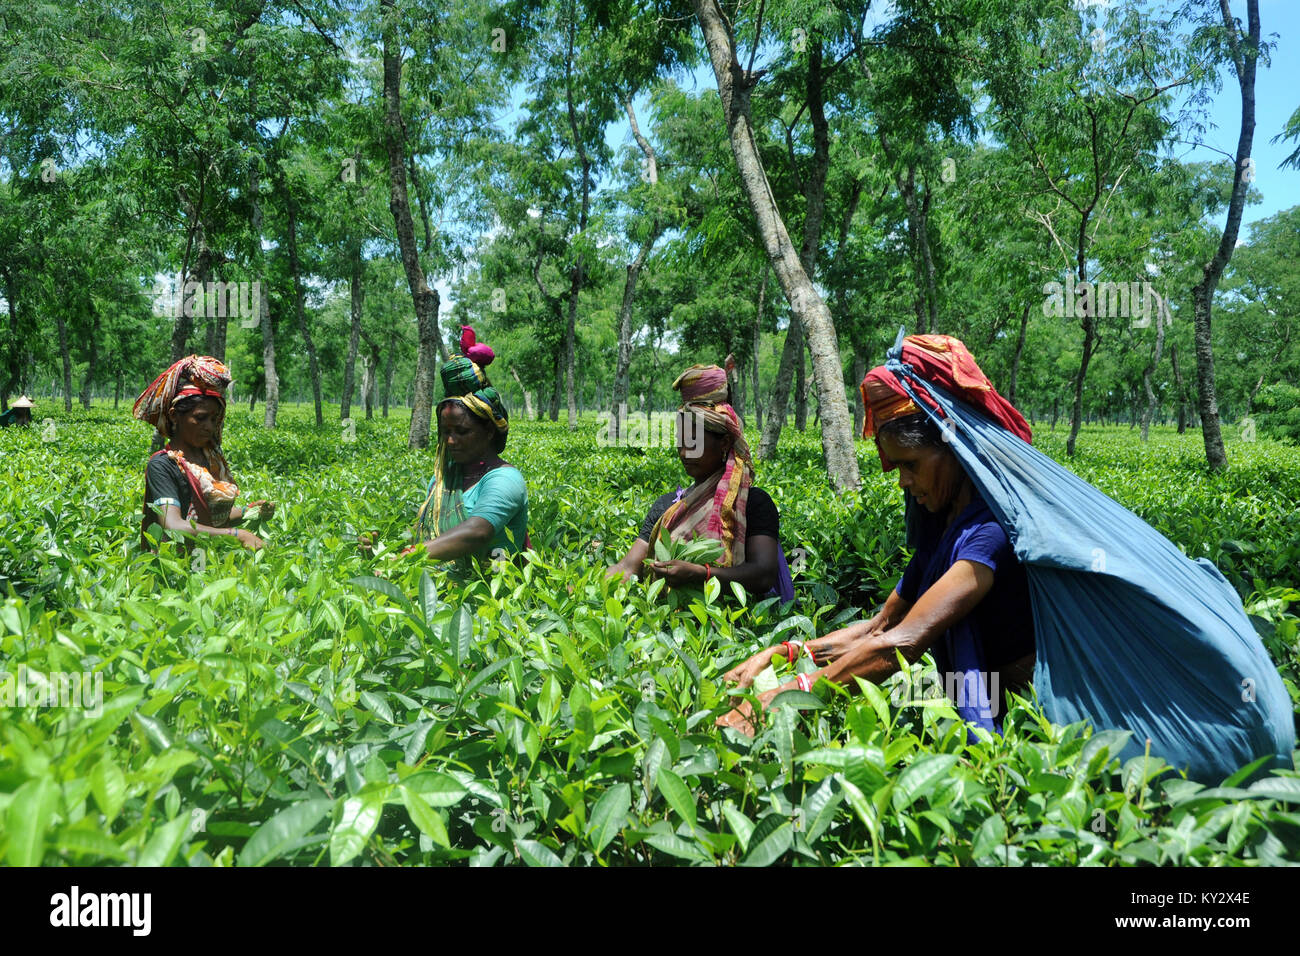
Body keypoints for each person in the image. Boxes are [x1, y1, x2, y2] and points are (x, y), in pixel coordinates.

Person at [718, 336, 1034, 735]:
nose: (904, 481)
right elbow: (880, 627)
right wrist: (783, 653)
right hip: (976, 702)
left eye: (912, 465)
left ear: (953, 451)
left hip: (1028, 724)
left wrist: (790, 696)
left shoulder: (989, 532)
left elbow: (904, 640)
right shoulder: (943, 532)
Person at [606, 363, 793, 600]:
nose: (684, 453)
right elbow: (628, 567)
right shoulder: (668, 507)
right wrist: (583, 588)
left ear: (724, 443)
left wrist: (701, 574)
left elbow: (762, 575)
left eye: (694, 442)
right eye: (680, 442)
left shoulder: (754, 504)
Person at [398, 327, 528, 565]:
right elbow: (433, 539)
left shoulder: (504, 480)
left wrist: (408, 557)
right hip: (437, 593)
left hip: (491, 597)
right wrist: (379, 554)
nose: (450, 440)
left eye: (462, 431)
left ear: (488, 431)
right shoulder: (443, 479)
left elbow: (478, 532)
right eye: (446, 431)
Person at [134, 355, 273, 551]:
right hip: (172, 566)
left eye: (214, 419)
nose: (209, 427)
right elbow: (173, 525)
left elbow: (209, 518)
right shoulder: (163, 465)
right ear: (175, 416)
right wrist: (237, 535)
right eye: (200, 418)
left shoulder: (208, 458)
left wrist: (249, 511)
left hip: (204, 561)